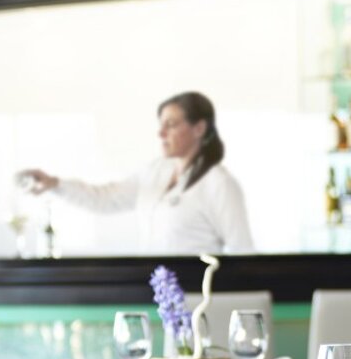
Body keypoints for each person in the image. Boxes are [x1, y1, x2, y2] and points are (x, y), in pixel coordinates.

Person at [18, 91, 253, 254]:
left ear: (199, 128)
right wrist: (55, 184)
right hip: (158, 295)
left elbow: (242, 252)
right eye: (160, 125)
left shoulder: (219, 184)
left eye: (171, 125)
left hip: (196, 300)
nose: (161, 134)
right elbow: (104, 199)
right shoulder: (155, 173)